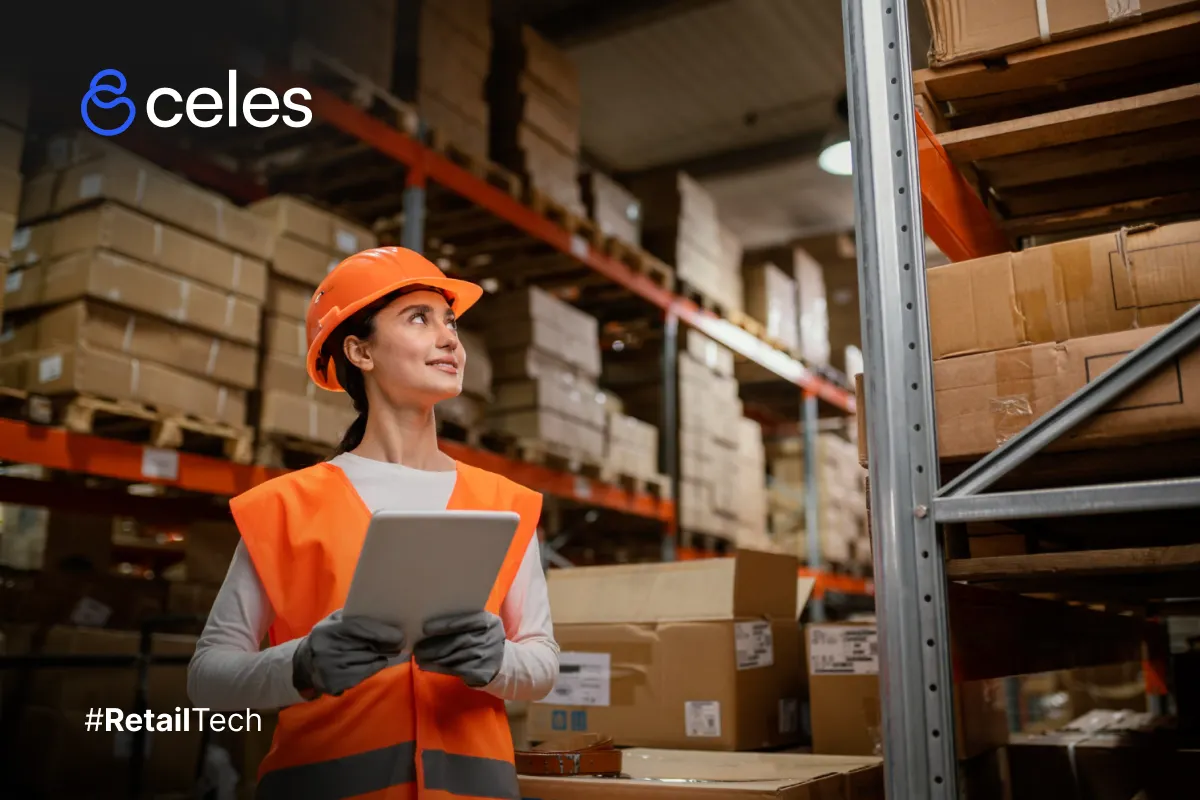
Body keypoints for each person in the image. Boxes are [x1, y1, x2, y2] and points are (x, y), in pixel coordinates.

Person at [187, 247, 560, 799]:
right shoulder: (284, 508)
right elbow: (206, 680)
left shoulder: (503, 504)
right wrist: (301, 664)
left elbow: (543, 663)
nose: (449, 339)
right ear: (360, 351)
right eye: (419, 319)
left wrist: (497, 661)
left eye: (451, 322)